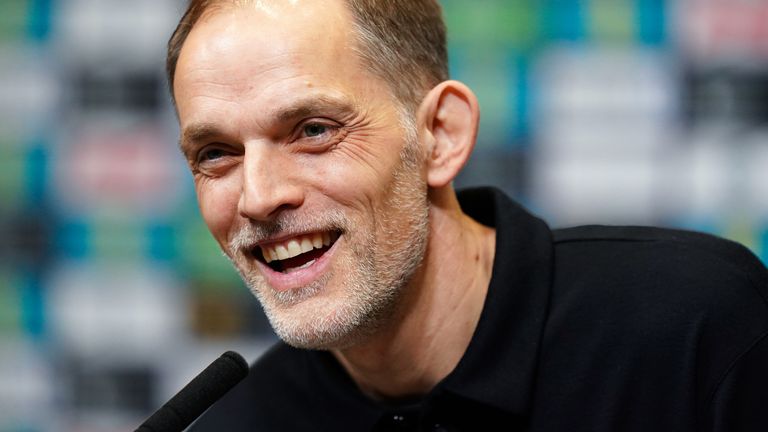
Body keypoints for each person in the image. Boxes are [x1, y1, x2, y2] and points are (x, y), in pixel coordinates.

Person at [166, 0, 768, 430]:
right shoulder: (240, 420)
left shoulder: (700, 330)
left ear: (441, 135)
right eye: (215, 154)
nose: (257, 197)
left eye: (314, 131)